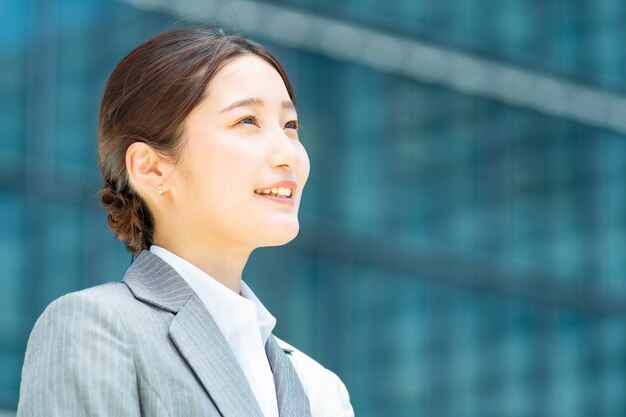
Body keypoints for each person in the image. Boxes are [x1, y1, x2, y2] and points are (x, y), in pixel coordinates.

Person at [17, 26, 354, 417]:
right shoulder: (95, 328)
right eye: (247, 121)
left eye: (290, 126)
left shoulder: (319, 388)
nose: (289, 155)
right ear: (151, 168)